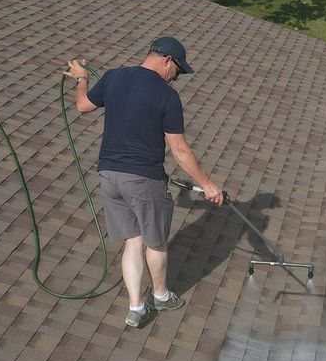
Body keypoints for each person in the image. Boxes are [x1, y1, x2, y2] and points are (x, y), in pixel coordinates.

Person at [67, 37, 224, 329]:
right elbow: (179, 150)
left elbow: (81, 106)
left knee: (133, 240)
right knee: (155, 243)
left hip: (110, 176)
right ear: (167, 61)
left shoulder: (114, 77)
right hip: (144, 179)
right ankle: (161, 296)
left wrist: (82, 79)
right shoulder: (166, 97)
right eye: (178, 71)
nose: (176, 78)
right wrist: (208, 184)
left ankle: (136, 307)